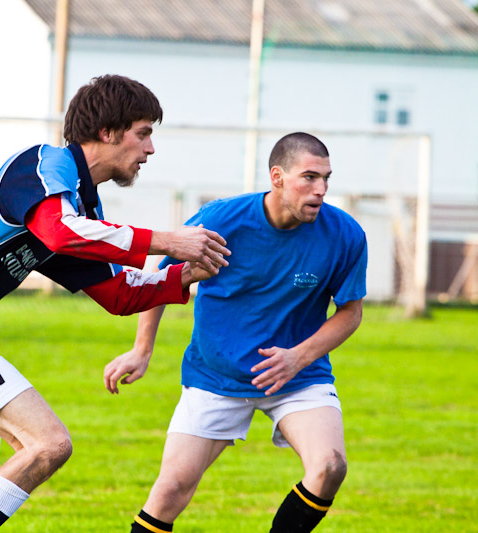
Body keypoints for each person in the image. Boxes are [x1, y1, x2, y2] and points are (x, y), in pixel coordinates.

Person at [0, 74, 231, 533]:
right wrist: (165, 240)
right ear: (107, 132)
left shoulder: (78, 206)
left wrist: (184, 275)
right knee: (48, 444)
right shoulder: (43, 165)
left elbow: (119, 294)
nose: (150, 149)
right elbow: (60, 232)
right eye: (143, 133)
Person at [104, 132, 368, 533]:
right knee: (170, 490)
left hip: (297, 376)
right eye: (309, 177)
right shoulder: (222, 220)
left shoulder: (345, 235)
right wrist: (142, 349)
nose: (321, 190)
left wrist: (298, 357)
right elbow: (163, 275)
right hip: (216, 376)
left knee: (329, 466)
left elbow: (350, 313)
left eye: (326, 179)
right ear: (277, 177)